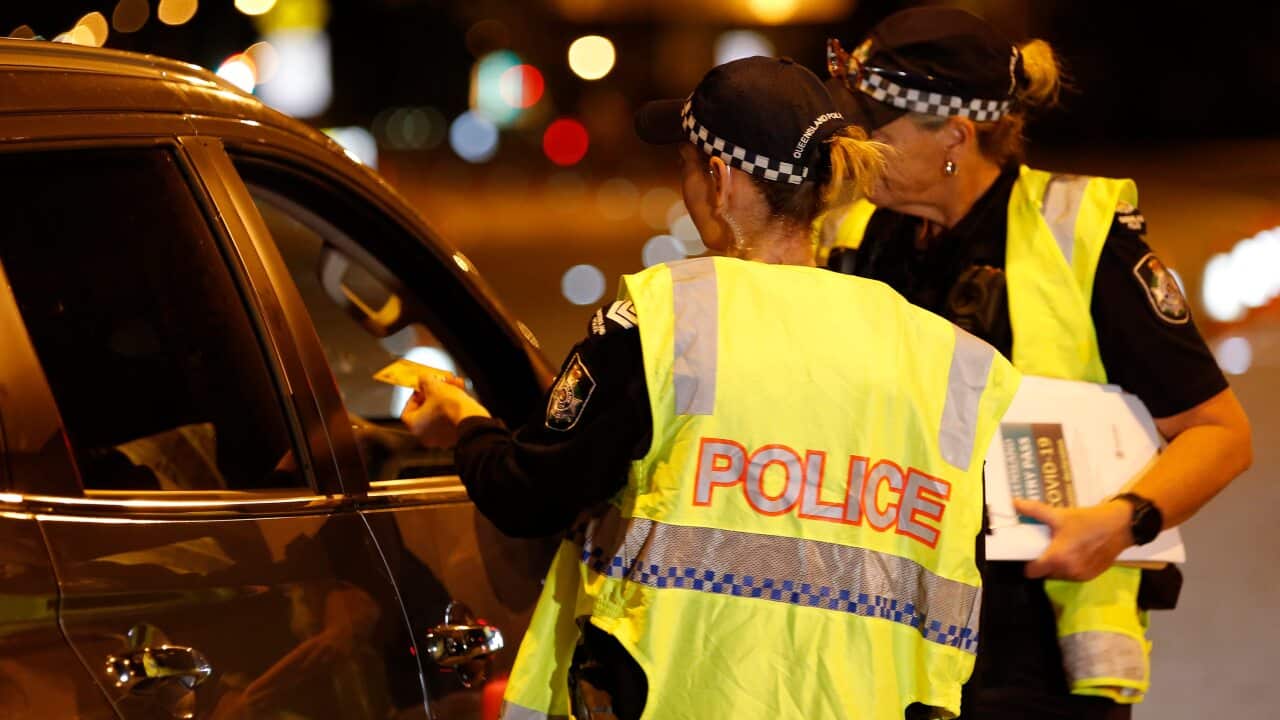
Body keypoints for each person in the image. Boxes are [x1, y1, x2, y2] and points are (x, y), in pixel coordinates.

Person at [402, 56, 1022, 720]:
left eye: (687, 171)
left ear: (719, 182)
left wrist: (463, 425)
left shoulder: (668, 322)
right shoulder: (937, 352)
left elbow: (531, 494)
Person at [821, 7, 1253, 719]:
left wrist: (1120, 523)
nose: (855, 145)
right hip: (889, 647)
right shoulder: (850, 239)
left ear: (955, 136)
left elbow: (1221, 433)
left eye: (877, 127)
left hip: (1033, 660)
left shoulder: (1077, 233)